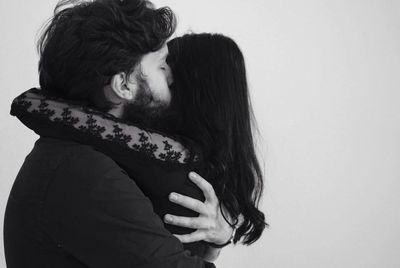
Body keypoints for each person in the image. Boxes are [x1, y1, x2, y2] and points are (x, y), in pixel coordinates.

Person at [4, 1, 234, 267]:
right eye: (161, 66)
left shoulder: (71, 153)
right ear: (123, 84)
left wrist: (217, 238)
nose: (171, 77)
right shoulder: (83, 172)